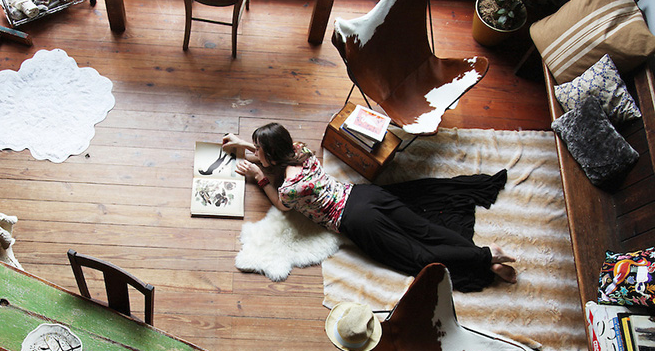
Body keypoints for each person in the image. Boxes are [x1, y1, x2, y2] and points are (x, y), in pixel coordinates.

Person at [222, 123, 517, 292]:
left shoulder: (290, 188)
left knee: (418, 256)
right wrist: (243, 144)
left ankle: (486, 256)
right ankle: (488, 256)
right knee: (426, 229)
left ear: (270, 156)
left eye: (257, 149)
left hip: (356, 220)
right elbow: (275, 156)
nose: (255, 153)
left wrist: (259, 178)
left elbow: (281, 206)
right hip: (368, 196)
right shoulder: (300, 150)